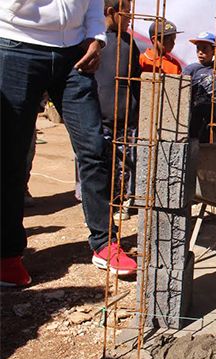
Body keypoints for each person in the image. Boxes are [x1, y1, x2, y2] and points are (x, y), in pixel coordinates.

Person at [0, 0, 138, 287]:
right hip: (16, 43)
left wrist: (96, 38)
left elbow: (93, 3)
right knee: (11, 153)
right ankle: (7, 254)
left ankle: (104, 243)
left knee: (95, 147)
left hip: (74, 52)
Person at [96, 0, 141, 221]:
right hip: (100, 115)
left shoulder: (129, 43)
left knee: (127, 162)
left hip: (126, 118)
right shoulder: (96, 41)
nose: (130, 17)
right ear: (111, 12)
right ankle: (104, 205)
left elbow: (136, 80)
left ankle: (124, 201)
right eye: (127, 12)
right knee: (103, 162)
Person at [183, 32, 216, 142]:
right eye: (198, 49)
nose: (200, 52)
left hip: (213, 113)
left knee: (210, 139)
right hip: (196, 111)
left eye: (205, 49)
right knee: (194, 137)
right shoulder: (191, 70)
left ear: (215, 51)